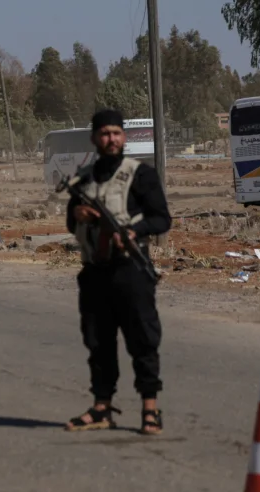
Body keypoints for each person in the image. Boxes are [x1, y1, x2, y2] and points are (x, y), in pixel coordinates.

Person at [63, 109, 171, 435]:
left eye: (117, 133)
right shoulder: (83, 179)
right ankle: (102, 407)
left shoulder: (141, 175)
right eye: (106, 133)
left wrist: (134, 233)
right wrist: (79, 215)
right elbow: (71, 223)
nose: (112, 139)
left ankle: (150, 409)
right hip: (95, 273)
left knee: (142, 339)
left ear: (124, 137)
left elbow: (162, 219)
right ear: (95, 138)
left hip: (131, 272)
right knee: (98, 341)